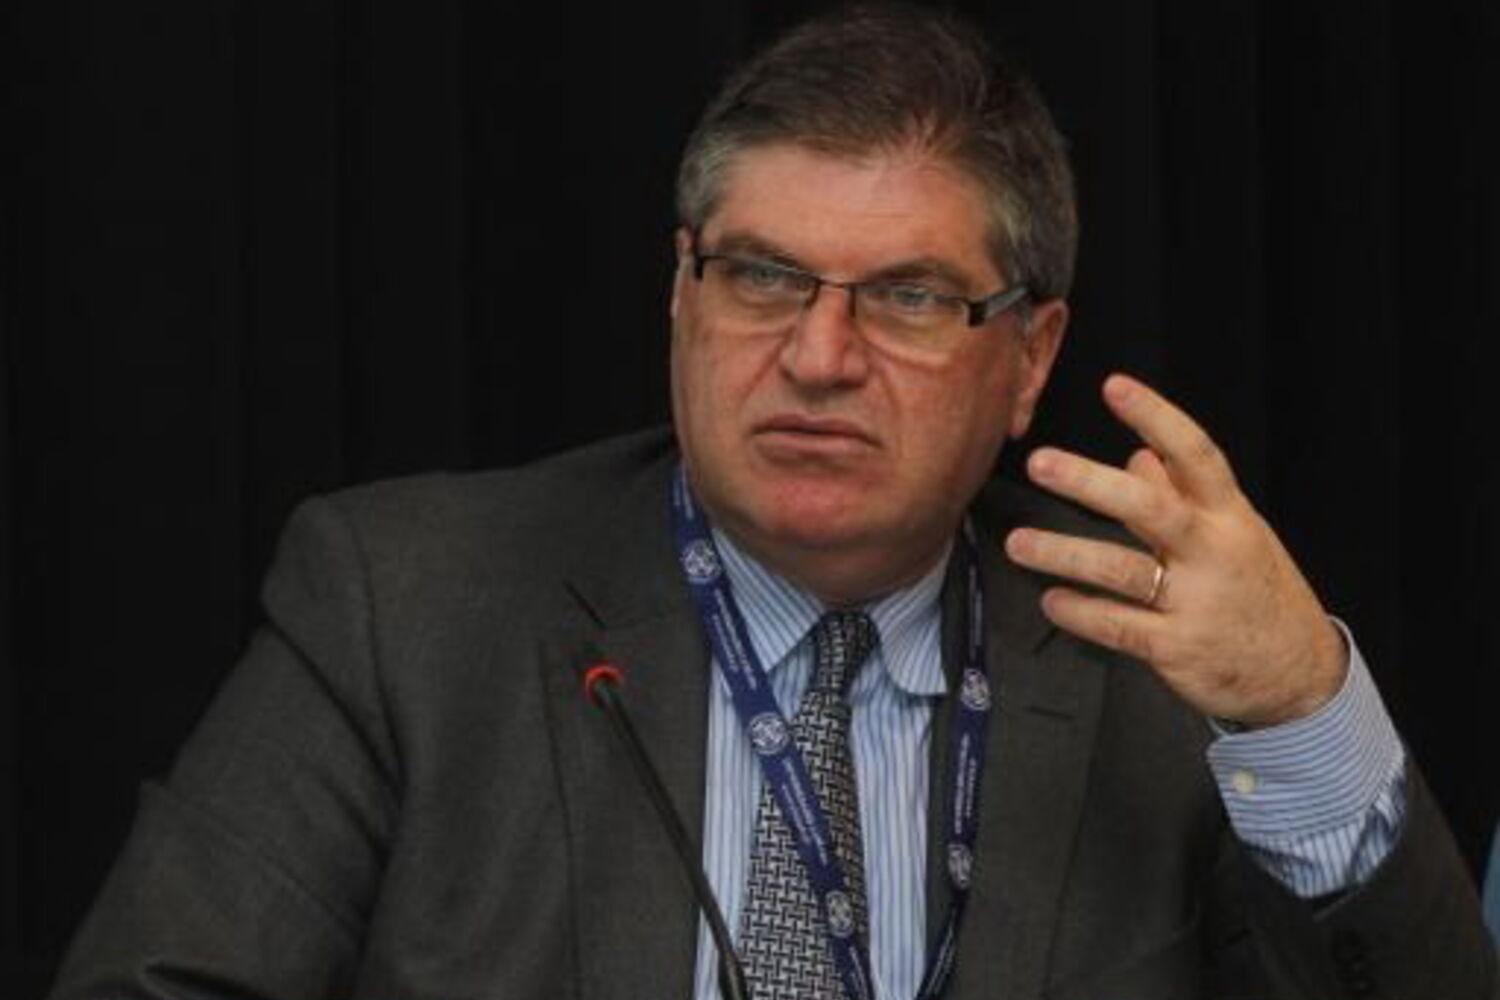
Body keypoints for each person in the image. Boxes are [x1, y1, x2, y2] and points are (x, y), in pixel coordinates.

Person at [49, 5, 1496, 999]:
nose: (817, 356)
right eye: (761, 276)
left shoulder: (1156, 662)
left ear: (1028, 359)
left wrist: (1300, 709)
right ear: (682, 294)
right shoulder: (405, 605)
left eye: (909, 297)